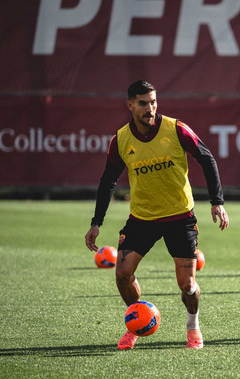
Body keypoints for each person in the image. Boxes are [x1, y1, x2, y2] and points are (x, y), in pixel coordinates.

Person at [84, 80, 229, 350]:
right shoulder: (121, 140)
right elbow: (108, 181)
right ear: (130, 105)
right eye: (143, 103)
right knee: (122, 275)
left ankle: (193, 326)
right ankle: (137, 322)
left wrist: (217, 202)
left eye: (153, 102)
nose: (150, 108)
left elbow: (207, 158)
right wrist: (96, 223)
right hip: (142, 219)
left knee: (187, 286)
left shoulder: (176, 129)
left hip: (179, 217)